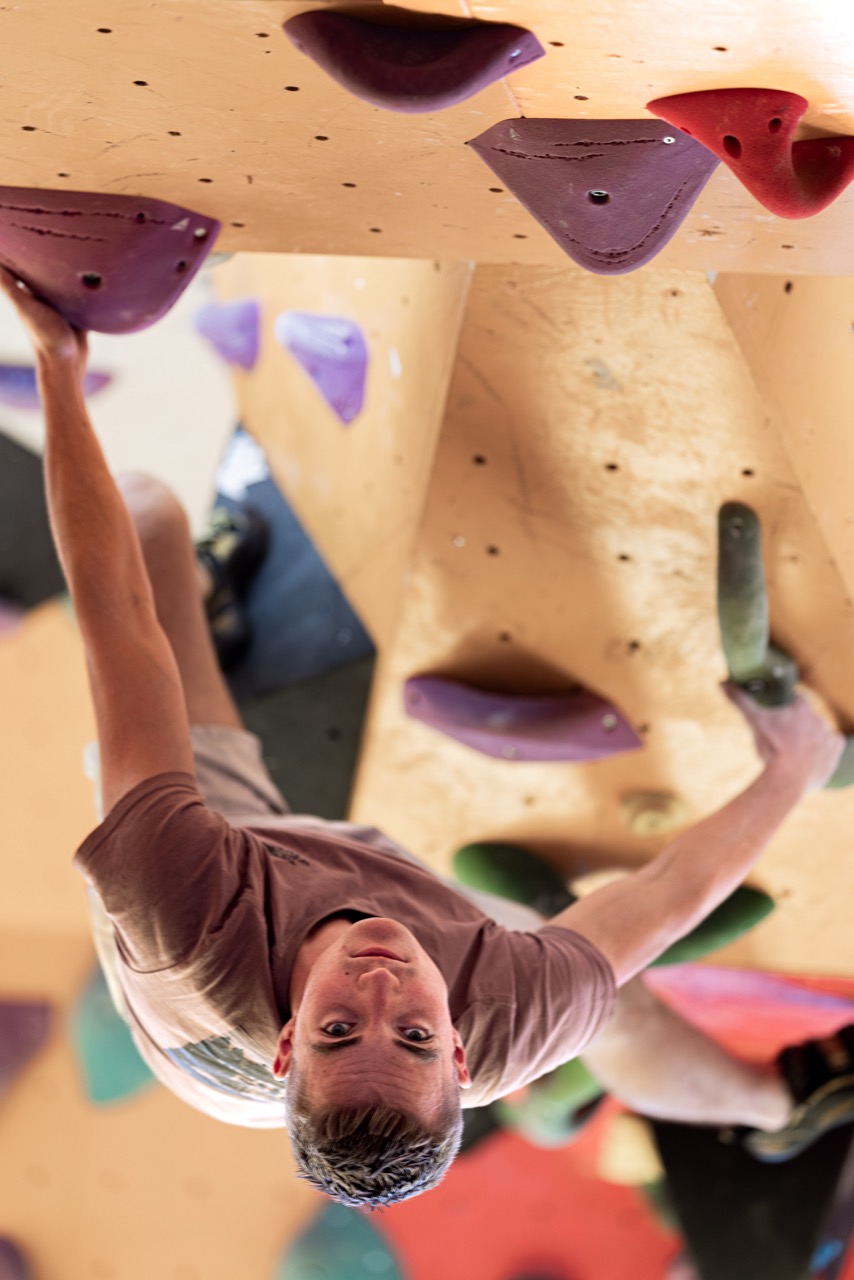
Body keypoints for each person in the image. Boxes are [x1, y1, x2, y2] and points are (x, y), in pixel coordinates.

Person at [4, 265, 852, 1209]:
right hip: (352, 936)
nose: (378, 988)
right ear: (458, 1052)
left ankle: (210, 591)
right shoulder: (514, 1015)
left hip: (214, 988)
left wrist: (58, 367)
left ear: (287, 1046)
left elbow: (117, 619)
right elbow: (665, 894)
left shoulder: (181, 908)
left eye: (337, 1030)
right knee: (609, 995)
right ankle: (779, 1104)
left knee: (150, 514)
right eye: (411, 1034)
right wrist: (791, 768)